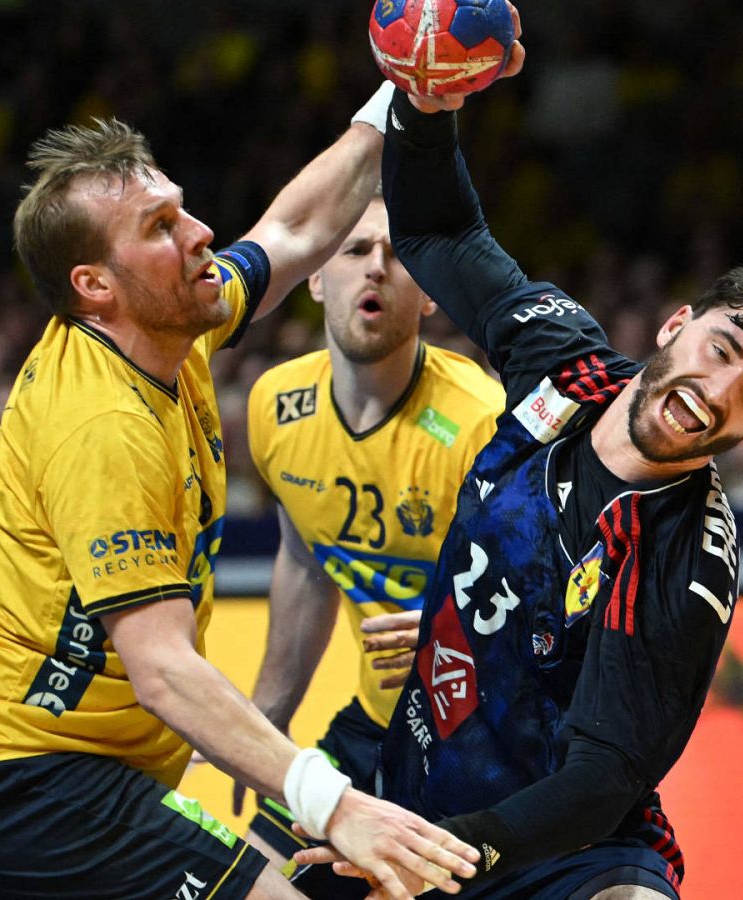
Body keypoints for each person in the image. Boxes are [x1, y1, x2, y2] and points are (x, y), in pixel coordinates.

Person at [0, 93, 482, 900]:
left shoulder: (168, 326)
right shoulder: (102, 424)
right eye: (160, 228)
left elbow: (291, 234)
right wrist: (335, 806)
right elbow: (162, 668)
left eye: (182, 212)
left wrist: (398, 96)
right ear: (94, 285)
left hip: (10, 785)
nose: (200, 237)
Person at [294, 72, 743, 900]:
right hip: (412, 786)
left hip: (554, 849)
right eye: (725, 351)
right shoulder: (565, 362)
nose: (723, 391)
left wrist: (448, 852)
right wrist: (427, 105)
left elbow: (603, 778)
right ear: (675, 327)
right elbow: (440, 231)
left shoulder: (686, 560)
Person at [236, 194, 505, 869]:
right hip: (377, 726)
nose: (377, 268)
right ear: (317, 279)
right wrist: (266, 720)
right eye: (354, 250)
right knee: (252, 877)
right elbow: (304, 561)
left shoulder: (481, 422)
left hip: (497, 738)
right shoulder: (275, 406)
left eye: (400, 254)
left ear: (431, 294)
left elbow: (551, 598)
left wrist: (454, 626)